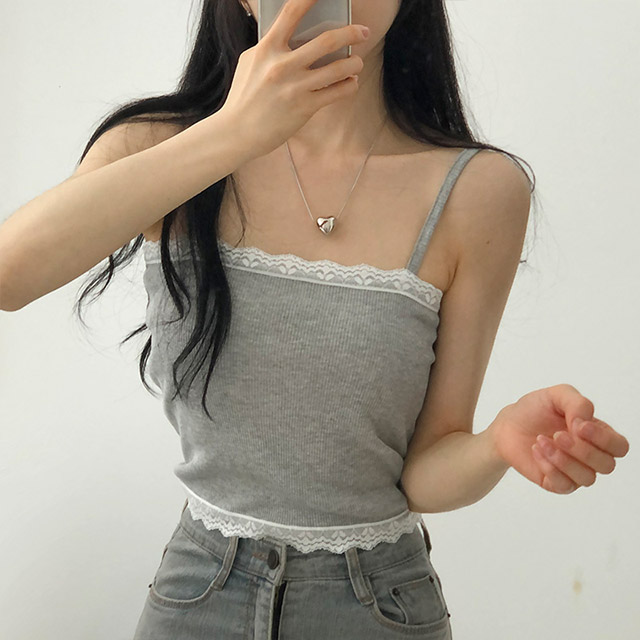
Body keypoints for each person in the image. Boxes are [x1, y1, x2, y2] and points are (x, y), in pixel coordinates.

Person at [0, 1, 629, 638]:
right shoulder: (160, 147)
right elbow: (9, 276)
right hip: (199, 592)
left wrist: (497, 444)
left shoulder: (478, 190)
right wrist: (234, 133)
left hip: (377, 605)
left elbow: (424, 471)